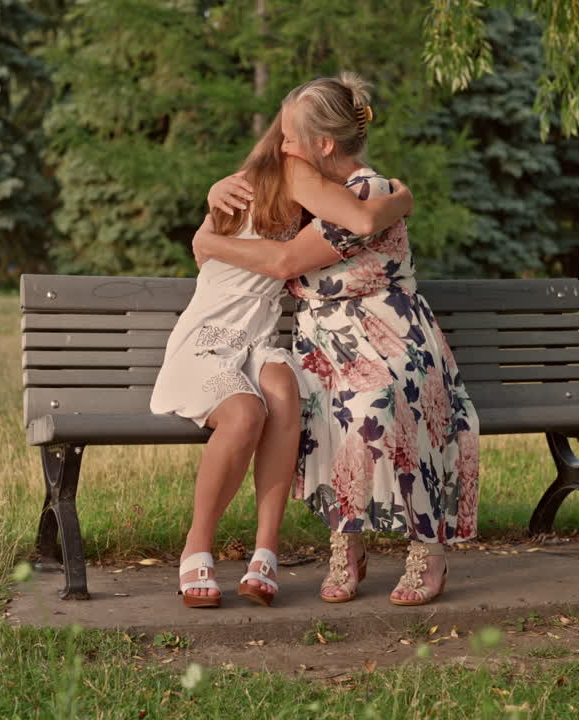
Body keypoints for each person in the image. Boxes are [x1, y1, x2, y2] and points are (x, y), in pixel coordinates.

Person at [196, 73, 479, 607]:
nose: (281, 148)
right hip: (325, 342)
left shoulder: (370, 192)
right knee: (310, 401)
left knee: (373, 399)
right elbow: (249, 188)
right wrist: (215, 195)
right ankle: (346, 541)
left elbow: (284, 261)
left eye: (290, 138)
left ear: (324, 145)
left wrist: (208, 243)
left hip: (390, 337)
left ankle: (428, 546)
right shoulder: (313, 191)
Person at [151, 109, 414, 608]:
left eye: (300, 137)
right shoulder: (268, 181)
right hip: (210, 339)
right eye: (287, 136)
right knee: (247, 413)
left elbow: (353, 219)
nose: (291, 145)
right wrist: (402, 199)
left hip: (260, 342)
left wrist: (397, 198)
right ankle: (196, 544)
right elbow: (209, 253)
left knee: (283, 389)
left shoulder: (307, 190)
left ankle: (264, 552)